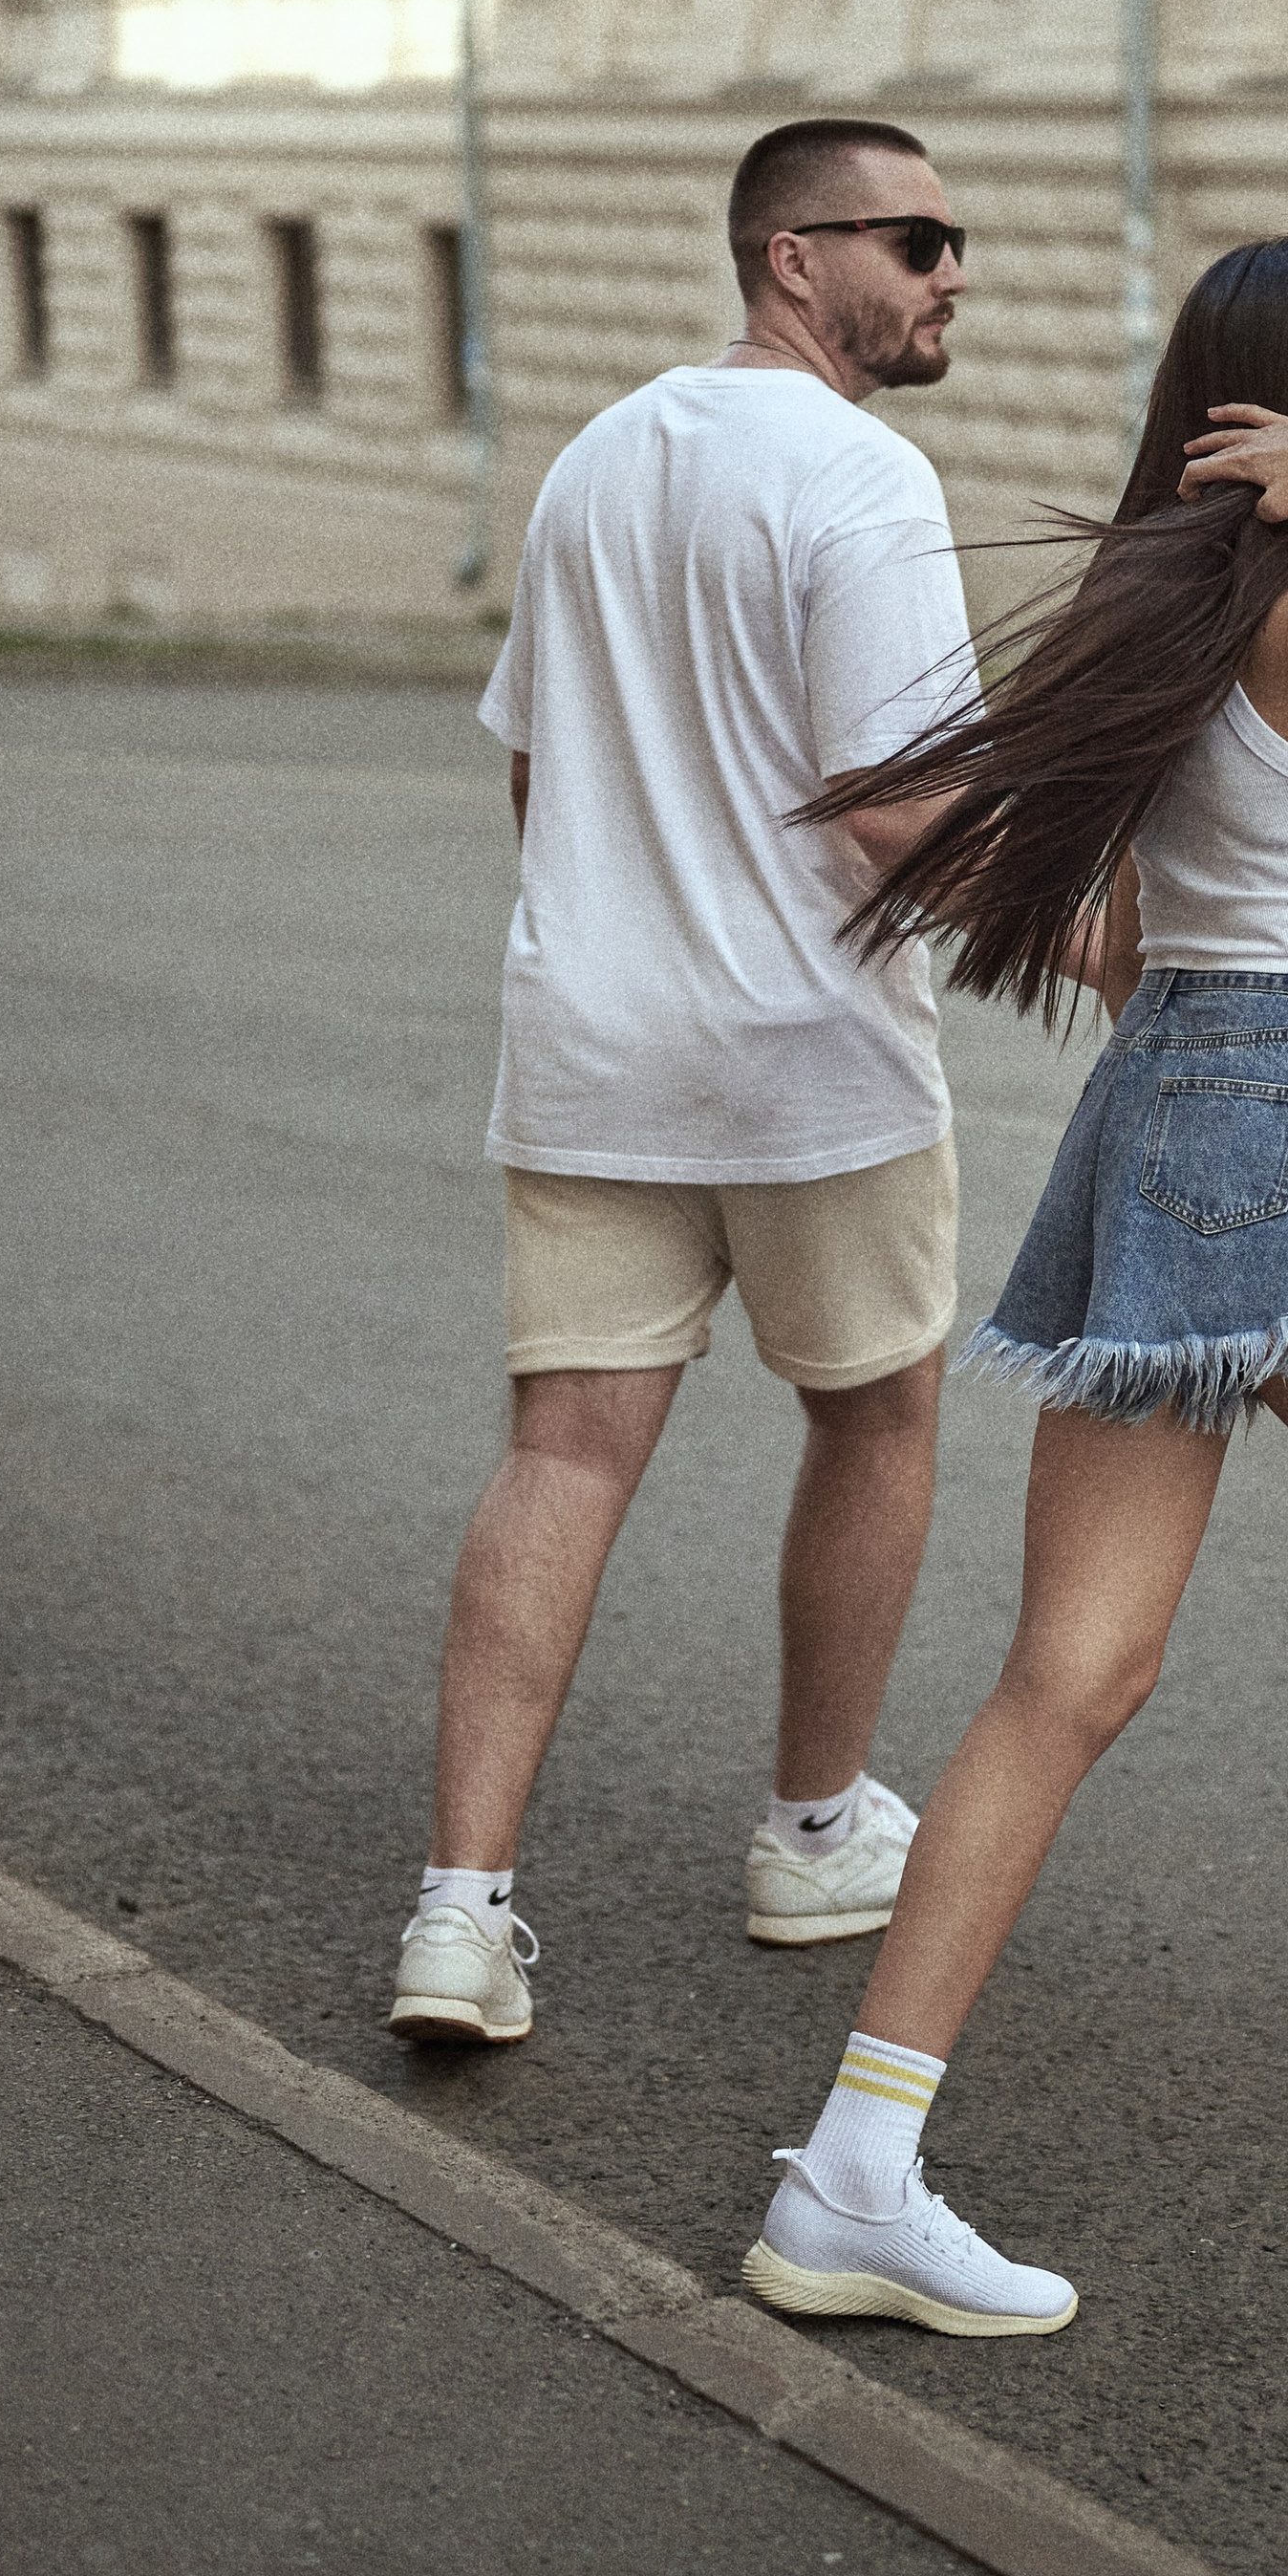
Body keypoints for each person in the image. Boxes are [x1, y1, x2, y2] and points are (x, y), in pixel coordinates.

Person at [738, 236, 1288, 2337]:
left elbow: (1083, 902)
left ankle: (851, 2167)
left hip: (1168, 1112)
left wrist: (1175, 994)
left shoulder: (1176, 615)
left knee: (1071, 1672)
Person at [389, 118, 984, 2047]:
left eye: (954, 237)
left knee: (562, 1449)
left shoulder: (591, 460)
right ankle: (813, 1829)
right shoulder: (865, 480)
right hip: (810, 1056)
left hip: (590, 1039)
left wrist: (620, 925)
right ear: (789, 258)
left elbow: (530, 772)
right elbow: (895, 799)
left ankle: (457, 1916)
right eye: (913, 236)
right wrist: (1083, 934)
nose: (949, 269)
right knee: (876, 1412)